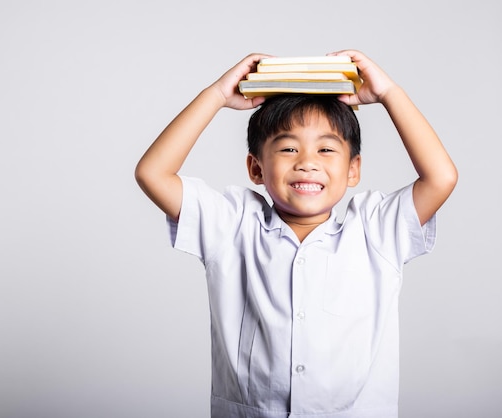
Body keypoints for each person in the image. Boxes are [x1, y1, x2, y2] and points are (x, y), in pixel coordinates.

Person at [134, 50, 457, 418]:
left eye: (325, 148)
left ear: (353, 170)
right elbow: (152, 174)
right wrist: (217, 96)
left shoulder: (375, 228)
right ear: (256, 168)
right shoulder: (232, 225)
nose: (307, 161)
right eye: (288, 148)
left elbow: (441, 178)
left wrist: (387, 93)